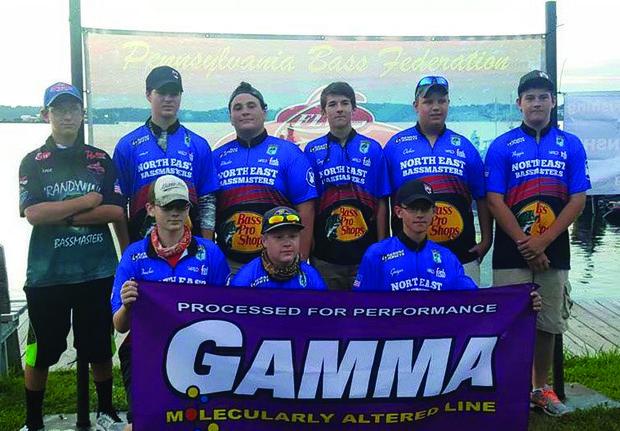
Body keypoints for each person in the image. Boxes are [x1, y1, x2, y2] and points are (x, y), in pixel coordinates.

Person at [19, 82, 125, 430]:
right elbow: (32, 213)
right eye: (58, 109)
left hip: (96, 270)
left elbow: (113, 211)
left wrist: (61, 214)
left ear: (82, 114)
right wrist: (85, 202)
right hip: (46, 272)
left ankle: (105, 410)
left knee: (98, 345)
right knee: (40, 349)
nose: (67, 115)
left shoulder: (99, 159)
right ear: (45, 114)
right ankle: (34, 419)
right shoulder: (32, 161)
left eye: (73, 108)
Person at [485, 70, 590, 416]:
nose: (537, 103)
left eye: (543, 97)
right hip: (510, 249)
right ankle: (510, 388)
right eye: (530, 97)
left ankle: (540, 389)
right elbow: (494, 199)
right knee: (510, 320)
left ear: (552, 102)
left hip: (554, 248)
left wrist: (543, 241)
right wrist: (524, 241)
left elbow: (578, 199)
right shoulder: (502, 145)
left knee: (547, 322)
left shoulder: (570, 144)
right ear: (519, 103)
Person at [111, 175, 229, 430]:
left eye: (181, 206)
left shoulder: (211, 253)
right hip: (145, 350)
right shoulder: (134, 255)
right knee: (140, 425)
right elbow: (120, 326)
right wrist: (127, 305)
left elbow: (226, 313)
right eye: (167, 206)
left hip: (199, 351)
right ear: (151, 209)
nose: (175, 213)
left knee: (205, 421)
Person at [384, 76, 492, 284]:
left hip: (461, 254)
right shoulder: (395, 146)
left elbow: (482, 196)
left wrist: (487, 239)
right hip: (409, 255)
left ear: (448, 104)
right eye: (428, 102)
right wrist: (384, 245)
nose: (436, 107)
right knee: (412, 314)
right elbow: (382, 200)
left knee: (463, 315)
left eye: (441, 101)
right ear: (416, 105)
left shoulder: (465, 146)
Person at [213, 82, 317, 274]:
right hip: (230, 263)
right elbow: (208, 211)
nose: (245, 112)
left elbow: (306, 210)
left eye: (251, 106)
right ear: (230, 117)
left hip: (278, 265)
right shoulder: (217, 157)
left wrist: (300, 261)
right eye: (238, 108)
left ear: (264, 112)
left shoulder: (289, 153)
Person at [113, 65, 219, 244]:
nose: (168, 99)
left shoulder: (198, 144)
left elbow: (207, 200)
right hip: (143, 248)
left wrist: (207, 246)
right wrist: (126, 250)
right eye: (162, 92)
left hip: (190, 248)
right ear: (148, 95)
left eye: (174, 93)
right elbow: (119, 203)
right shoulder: (127, 145)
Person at [304, 82, 390, 290]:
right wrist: (308, 246)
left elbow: (381, 201)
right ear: (324, 111)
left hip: (365, 255)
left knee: (365, 317)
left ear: (354, 108)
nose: (339, 108)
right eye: (332, 104)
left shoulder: (373, 149)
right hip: (325, 256)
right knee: (327, 317)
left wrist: (381, 245)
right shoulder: (312, 150)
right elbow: (308, 204)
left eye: (345, 103)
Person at [353, 179, 477, 292]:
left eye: (424, 208)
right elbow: (360, 305)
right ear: (399, 212)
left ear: (434, 212)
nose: (419, 215)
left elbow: (473, 300)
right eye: (413, 208)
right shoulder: (377, 254)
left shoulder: (447, 257)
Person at [230, 206, 327, 290]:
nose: (287, 244)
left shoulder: (311, 275)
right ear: (264, 241)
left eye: (293, 236)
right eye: (279, 237)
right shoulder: (246, 278)